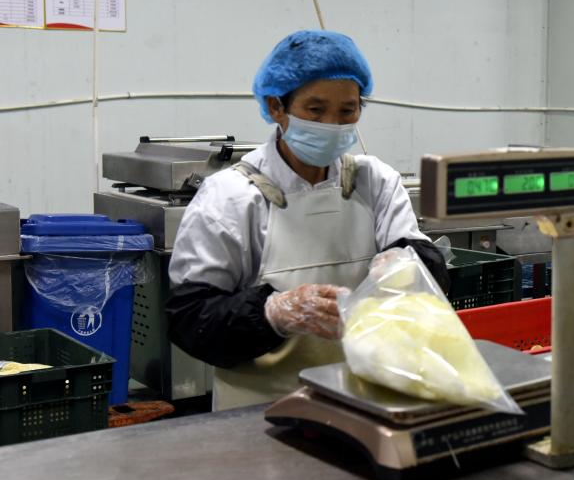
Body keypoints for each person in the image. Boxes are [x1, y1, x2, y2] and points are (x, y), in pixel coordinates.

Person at [166, 30, 449, 410]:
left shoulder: (374, 182)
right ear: (276, 107)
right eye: (316, 110)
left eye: (347, 111)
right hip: (260, 412)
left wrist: (407, 266)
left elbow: (427, 274)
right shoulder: (230, 197)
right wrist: (272, 312)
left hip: (364, 401)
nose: (332, 124)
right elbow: (191, 319)